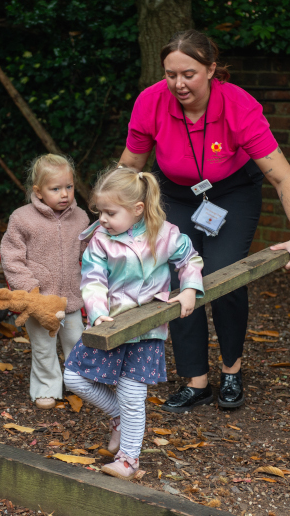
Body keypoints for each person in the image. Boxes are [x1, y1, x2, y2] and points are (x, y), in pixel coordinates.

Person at [118, 29, 290, 413]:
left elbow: (281, 175)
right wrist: (106, 220)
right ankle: (196, 382)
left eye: (188, 74)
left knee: (223, 276)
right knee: (178, 277)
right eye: (171, 74)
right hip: (175, 194)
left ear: (211, 69)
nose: (178, 83)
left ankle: (231, 371)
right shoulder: (151, 102)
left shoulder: (239, 106)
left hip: (231, 194)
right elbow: (130, 167)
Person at [63, 166, 204, 480]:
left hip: (148, 330)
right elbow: (93, 280)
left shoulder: (165, 234)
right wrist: (98, 313)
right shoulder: (100, 239)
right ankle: (117, 417)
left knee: (132, 395)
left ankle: (128, 461)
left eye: (110, 213)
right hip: (110, 326)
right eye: (99, 211)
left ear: (138, 209)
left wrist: (190, 289)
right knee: (73, 377)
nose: (102, 219)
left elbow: (189, 259)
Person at [0, 154, 90, 410]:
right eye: (55, 189)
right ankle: (46, 387)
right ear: (38, 192)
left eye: (69, 187)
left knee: (77, 342)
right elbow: (12, 258)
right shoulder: (22, 219)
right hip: (39, 302)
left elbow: (89, 252)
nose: (64, 194)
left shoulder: (81, 218)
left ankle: (78, 384)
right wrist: (30, 290)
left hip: (71, 299)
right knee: (43, 348)